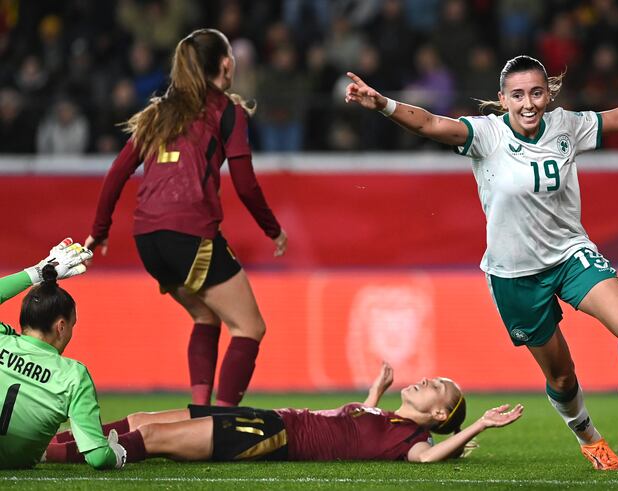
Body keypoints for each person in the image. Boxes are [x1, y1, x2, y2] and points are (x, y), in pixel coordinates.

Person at [345, 55, 618, 470]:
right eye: (518, 94)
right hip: (514, 276)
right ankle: (591, 441)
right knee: (562, 375)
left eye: (537, 92)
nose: (528, 103)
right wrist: (383, 103)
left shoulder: (566, 126)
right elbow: (431, 123)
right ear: (503, 98)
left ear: (549, 94)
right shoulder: (486, 134)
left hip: (569, 254)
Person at [86, 28, 288, 407]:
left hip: (147, 239)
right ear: (227, 65)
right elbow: (245, 185)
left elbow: (116, 172)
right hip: (189, 233)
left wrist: (99, 231)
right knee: (249, 327)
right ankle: (224, 422)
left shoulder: (158, 112)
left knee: (206, 317)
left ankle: (200, 411)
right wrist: (273, 229)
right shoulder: (226, 110)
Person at [46, 362, 523, 464]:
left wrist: (480, 424)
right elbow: (354, 421)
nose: (426, 380)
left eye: (436, 387)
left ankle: (53, 456)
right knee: (142, 420)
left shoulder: (409, 442)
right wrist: (374, 392)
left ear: (439, 415)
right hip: (265, 414)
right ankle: (50, 444)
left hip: (269, 434)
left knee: (154, 440)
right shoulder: (383, 420)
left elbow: (428, 459)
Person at [0, 239, 125, 470]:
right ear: (61, 326)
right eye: (72, 325)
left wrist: (37, 272)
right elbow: (98, 457)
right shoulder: (73, 376)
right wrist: (116, 455)